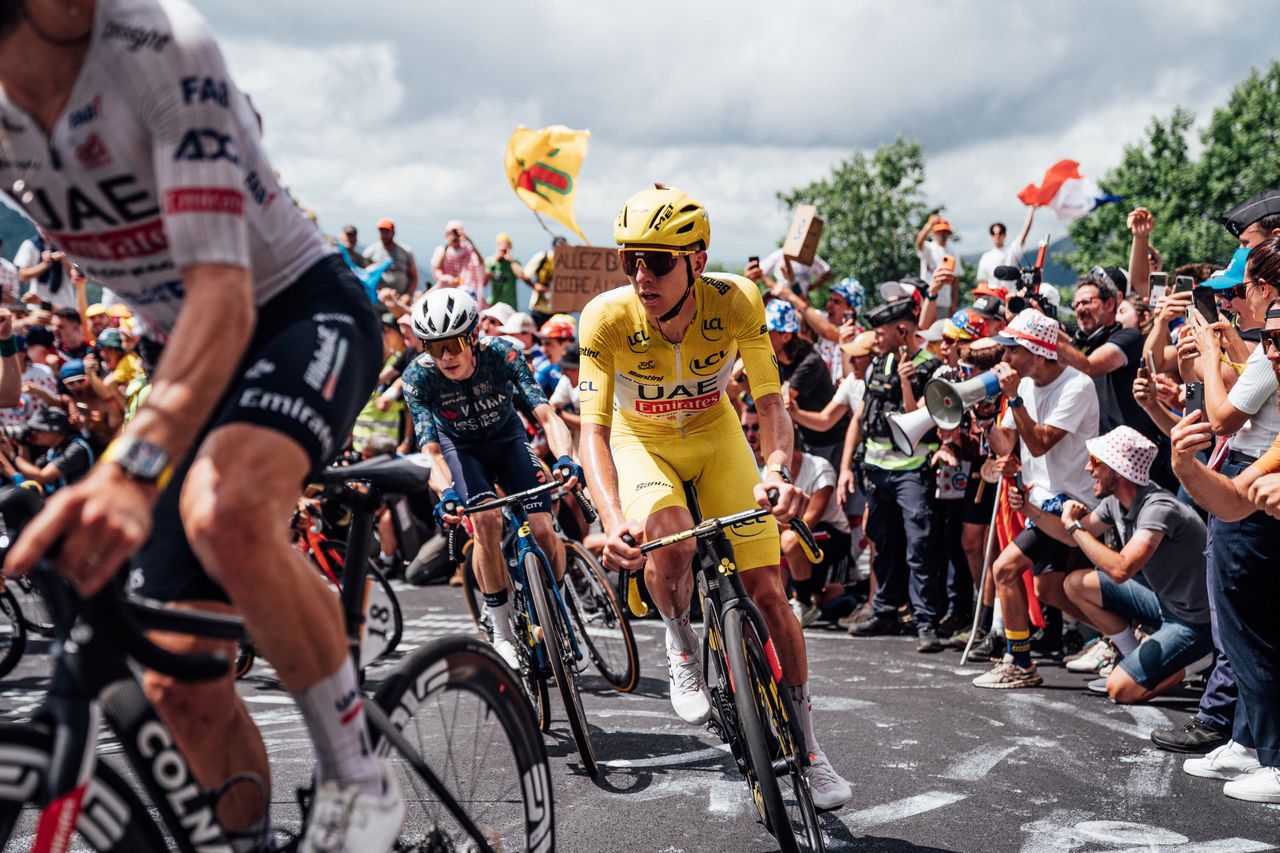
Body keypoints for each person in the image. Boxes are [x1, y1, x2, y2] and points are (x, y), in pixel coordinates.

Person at [0, 2, 397, 849]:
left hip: (294, 311)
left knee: (223, 508)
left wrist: (131, 470)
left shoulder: (158, 45)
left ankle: (360, 783)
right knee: (182, 689)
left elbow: (220, 293)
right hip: (179, 347)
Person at [580, 184, 852, 809]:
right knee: (667, 533)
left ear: (697, 260)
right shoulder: (606, 317)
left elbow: (769, 402)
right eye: (630, 260)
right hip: (641, 441)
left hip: (717, 435)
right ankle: (678, 637)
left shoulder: (736, 301)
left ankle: (810, 748)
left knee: (769, 593)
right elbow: (592, 430)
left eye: (657, 261)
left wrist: (779, 468)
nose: (640, 275)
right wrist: (613, 515)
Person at [402, 289, 580, 663]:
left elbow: (547, 415)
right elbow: (431, 451)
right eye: (434, 348)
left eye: (451, 344)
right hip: (461, 449)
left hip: (507, 440)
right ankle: (501, 629)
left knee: (544, 528)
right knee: (485, 521)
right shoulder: (418, 375)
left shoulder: (503, 353)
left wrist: (565, 457)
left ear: (471, 337)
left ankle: (557, 607)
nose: (445, 357)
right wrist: (447, 491)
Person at [973, 309, 1100, 689]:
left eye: (1012, 350)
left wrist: (1013, 399)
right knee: (1049, 588)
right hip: (1040, 500)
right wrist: (984, 417)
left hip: (1071, 503)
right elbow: (1006, 444)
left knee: (1005, 570)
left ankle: (1021, 663)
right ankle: (1124, 634)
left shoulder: (1077, 386)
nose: (1005, 358)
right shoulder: (1026, 386)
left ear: (1037, 351)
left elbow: (1040, 443)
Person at [1059, 426, 1212, 703]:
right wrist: (1028, 509)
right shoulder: (1116, 503)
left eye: (1095, 462)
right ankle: (1132, 656)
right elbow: (1072, 537)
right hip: (1163, 602)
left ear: (1117, 471)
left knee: (1121, 690)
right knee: (1076, 584)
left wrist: (1073, 527)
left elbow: (1121, 570)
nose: (1087, 468)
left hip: (1194, 622)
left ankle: (1198, 661)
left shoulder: (1158, 507)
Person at [844, 296, 948, 652]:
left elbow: (916, 419)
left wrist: (906, 382)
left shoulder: (930, 367)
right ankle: (885, 610)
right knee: (883, 543)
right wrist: (847, 468)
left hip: (912, 471)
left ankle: (925, 622)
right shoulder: (878, 363)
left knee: (920, 545)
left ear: (902, 330)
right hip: (877, 470)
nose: (874, 337)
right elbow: (861, 416)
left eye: (880, 331)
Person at [1056, 273, 1172, 488]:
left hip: (1138, 458)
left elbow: (1089, 367)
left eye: (1087, 302)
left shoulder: (1128, 337)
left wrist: (1050, 334)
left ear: (1110, 303)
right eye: (1076, 304)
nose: (1080, 309)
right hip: (1105, 457)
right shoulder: (1082, 344)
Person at [767, 299, 848, 468]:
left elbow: (783, 398)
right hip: (808, 440)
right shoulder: (778, 360)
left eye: (768, 332)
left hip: (832, 442)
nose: (763, 337)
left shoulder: (810, 361)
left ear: (786, 336)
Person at [429, 219, 488, 306]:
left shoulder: (468, 251)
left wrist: (470, 241)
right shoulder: (441, 250)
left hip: (466, 292)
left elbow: (480, 263)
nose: (455, 236)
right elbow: (436, 268)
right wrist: (448, 245)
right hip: (446, 292)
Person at [915, 214, 964, 313]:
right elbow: (919, 243)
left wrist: (954, 304)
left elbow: (955, 280)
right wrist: (928, 226)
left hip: (944, 301)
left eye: (944, 232)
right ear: (934, 233)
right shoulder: (928, 248)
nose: (942, 234)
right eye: (939, 231)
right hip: (926, 298)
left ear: (948, 233)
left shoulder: (952, 253)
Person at [976, 210, 1035, 287]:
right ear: (991, 235)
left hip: (1010, 295)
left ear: (1005, 234)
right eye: (994, 233)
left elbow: (1024, 234)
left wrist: (1031, 210)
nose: (997, 236)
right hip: (993, 296)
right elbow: (982, 281)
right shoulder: (985, 257)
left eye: (1000, 233)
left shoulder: (1011, 251)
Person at [366, 217, 419, 298]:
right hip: (377, 298)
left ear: (393, 232)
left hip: (401, 299)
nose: (384, 235)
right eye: (382, 232)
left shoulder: (406, 251)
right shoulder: (370, 252)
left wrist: (408, 295)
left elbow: (414, 277)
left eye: (386, 232)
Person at [486, 233, 528, 311]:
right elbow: (484, 283)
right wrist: (495, 262)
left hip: (510, 305)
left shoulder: (515, 263)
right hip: (494, 304)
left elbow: (520, 276)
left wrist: (511, 261)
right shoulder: (490, 262)